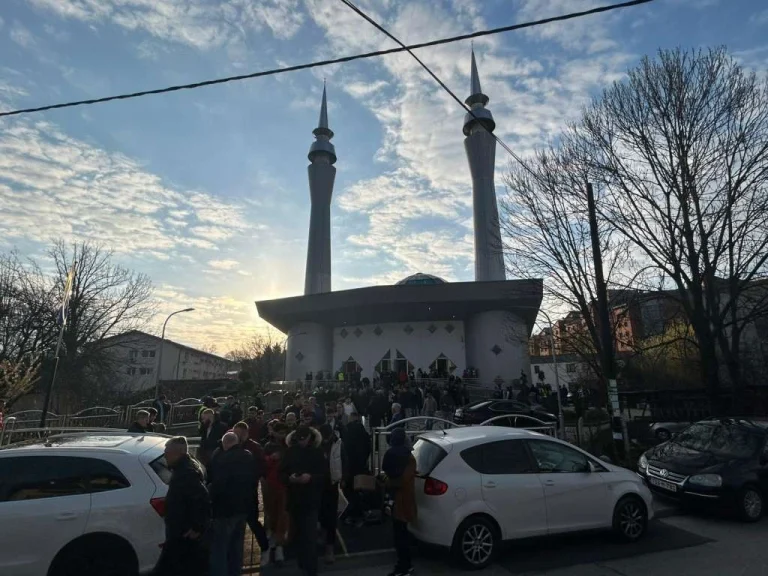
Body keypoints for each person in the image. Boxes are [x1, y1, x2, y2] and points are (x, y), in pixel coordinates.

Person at [152, 437, 210, 576]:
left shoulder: (186, 473)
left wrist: (197, 526)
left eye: (167, 452)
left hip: (183, 532)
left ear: (178, 453)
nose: (165, 455)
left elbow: (202, 499)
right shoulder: (184, 468)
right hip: (180, 531)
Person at [280, 425, 326, 576]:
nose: (302, 442)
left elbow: (325, 476)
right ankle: (303, 563)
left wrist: (310, 478)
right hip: (296, 499)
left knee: (309, 535)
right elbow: (281, 473)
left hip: (309, 499)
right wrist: (290, 479)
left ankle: (311, 568)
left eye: (304, 439)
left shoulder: (317, 452)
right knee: (300, 534)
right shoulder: (290, 452)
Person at [208, 432, 255, 576]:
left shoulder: (223, 459)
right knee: (236, 547)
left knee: (220, 549)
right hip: (243, 507)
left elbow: (218, 485)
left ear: (224, 443)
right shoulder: (248, 456)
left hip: (225, 509)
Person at [232, 421, 270, 564]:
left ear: (246, 433)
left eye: (240, 434)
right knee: (237, 525)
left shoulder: (254, 447)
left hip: (248, 491)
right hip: (234, 492)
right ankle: (237, 555)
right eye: (235, 433)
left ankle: (265, 547)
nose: (237, 436)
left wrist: (251, 477)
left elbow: (262, 466)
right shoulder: (231, 446)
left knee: (253, 521)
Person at [382, 428, 417, 576]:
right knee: (402, 534)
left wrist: (387, 481)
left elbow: (390, 474)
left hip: (396, 500)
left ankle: (404, 566)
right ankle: (405, 565)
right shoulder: (409, 458)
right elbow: (404, 479)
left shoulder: (390, 455)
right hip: (403, 501)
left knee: (399, 536)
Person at [263, 423, 290, 565]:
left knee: (282, 516)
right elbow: (262, 463)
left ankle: (279, 545)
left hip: (284, 485)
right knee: (270, 514)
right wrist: (271, 458)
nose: (282, 435)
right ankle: (269, 545)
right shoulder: (268, 446)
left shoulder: (289, 446)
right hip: (271, 484)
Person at [318, 423, 345, 564]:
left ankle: (330, 547)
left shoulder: (338, 443)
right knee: (321, 514)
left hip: (332, 484)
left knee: (331, 517)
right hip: (319, 485)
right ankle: (324, 536)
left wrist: (343, 478)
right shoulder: (317, 445)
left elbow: (344, 460)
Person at [341, 412, 370, 525]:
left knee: (349, 490)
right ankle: (359, 512)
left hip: (349, 466)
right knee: (359, 489)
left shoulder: (347, 431)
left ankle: (349, 512)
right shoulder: (363, 432)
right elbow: (369, 447)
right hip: (360, 465)